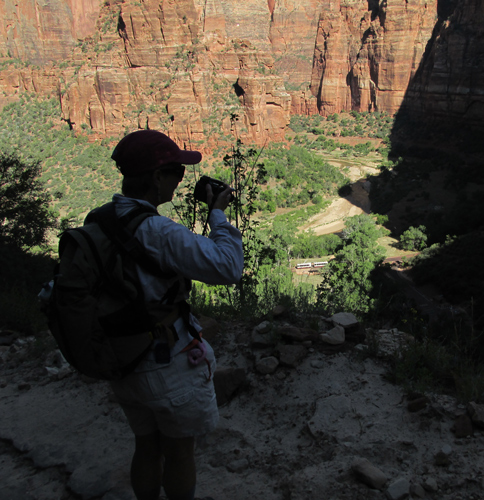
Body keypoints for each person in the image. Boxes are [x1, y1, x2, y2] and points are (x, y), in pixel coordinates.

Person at [108, 130, 244, 500]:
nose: (181, 179)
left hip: (122, 358)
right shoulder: (156, 231)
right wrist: (218, 215)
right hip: (163, 361)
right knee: (180, 451)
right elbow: (228, 267)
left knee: (146, 445)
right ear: (156, 177)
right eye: (177, 172)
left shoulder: (102, 219)